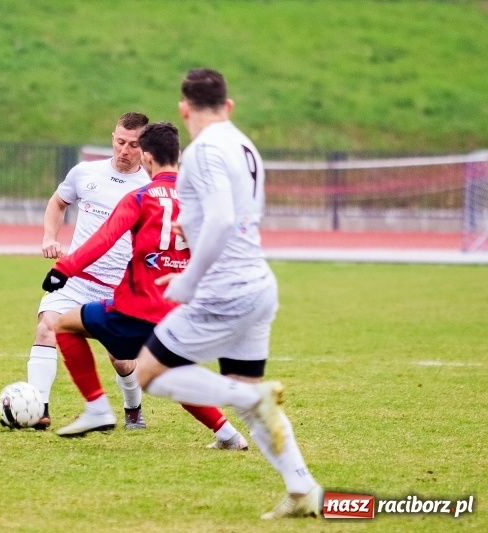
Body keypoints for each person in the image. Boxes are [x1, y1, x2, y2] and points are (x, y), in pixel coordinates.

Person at [133, 69, 323, 519]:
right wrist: (189, 225)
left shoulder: (202, 151)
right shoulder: (244, 144)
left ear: (184, 108)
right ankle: (303, 489)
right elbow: (233, 216)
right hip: (258, 285)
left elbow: (220, 221)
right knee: (249, 392)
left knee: (146, 374)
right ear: (229, 106)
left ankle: (250, 401)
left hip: (223, 291)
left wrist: (189, 280)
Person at [41, 121, 248, 449]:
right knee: (168, 374)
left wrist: (64, 269)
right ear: (178, 155)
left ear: (147, 158)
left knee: (63, 325)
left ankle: (97, 408)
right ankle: (229, 435)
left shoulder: (139, 196)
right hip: (175, 311)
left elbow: (105, 238)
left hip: (134, 308)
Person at [26, 112, 152, 430]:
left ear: (145, 148)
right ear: (112, 137)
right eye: (120, 141)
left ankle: (132, 408)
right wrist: (49, 237)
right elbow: (57, 203)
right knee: (47, 328)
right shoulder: (85, 173)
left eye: (134, 145)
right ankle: (38, 409)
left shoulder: (150, 186)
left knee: (122, 361)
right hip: (77, 280)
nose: (125, 150)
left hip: (119, 287)